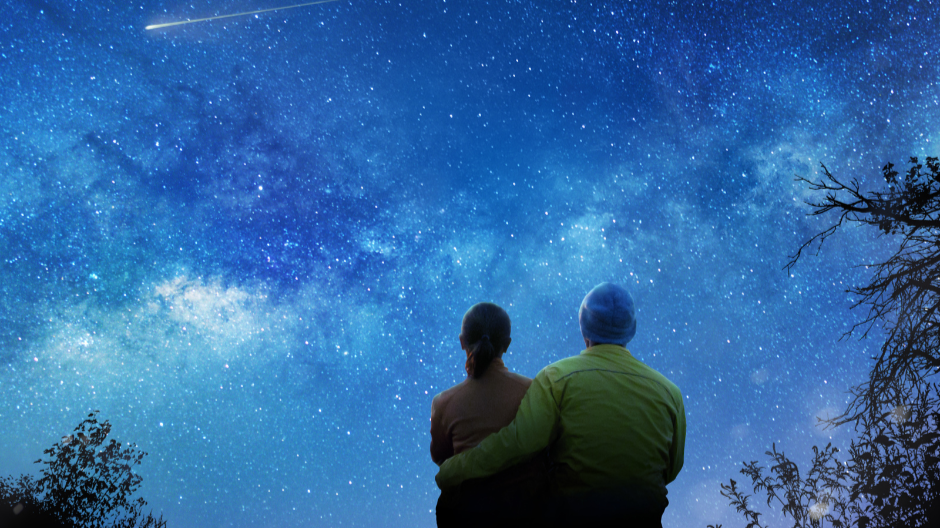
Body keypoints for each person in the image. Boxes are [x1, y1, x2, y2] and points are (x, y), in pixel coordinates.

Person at [436, 283, 686, 528]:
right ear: (631, 330)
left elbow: (517, 444)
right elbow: (671, 470)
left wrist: (452, 470)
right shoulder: (670, 393)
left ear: (584, 329)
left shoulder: (555, 378)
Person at [430, 302, 547, 527]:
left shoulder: (443, 403)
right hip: (526, 512)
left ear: (462, 341)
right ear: (508, 344)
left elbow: (441, 457)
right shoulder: (534, 390)